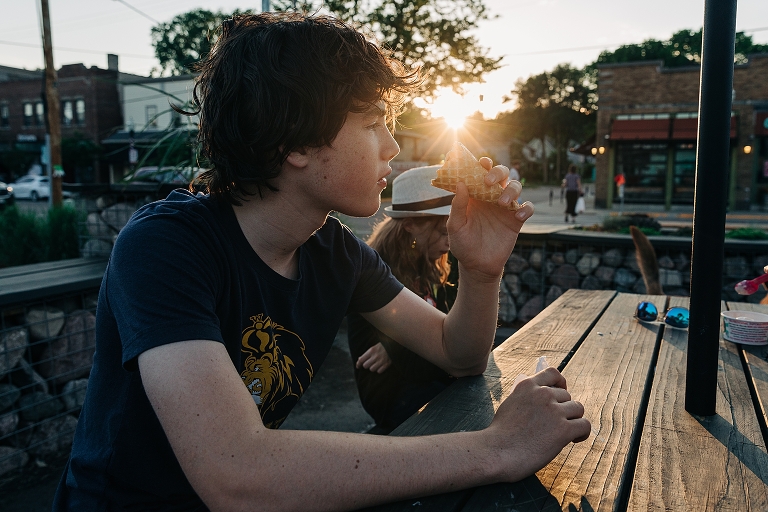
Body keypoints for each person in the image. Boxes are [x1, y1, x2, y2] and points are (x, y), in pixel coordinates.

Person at [54, 13, 590, 511]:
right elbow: (236, 473)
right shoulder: (166, 246)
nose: (392, 146)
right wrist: (495, 448)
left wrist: (480, 270)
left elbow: (459, 355)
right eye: (373, 123)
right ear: (297, 142)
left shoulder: (333, 251)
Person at [348, 166, 456, 434]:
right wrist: (404, 348)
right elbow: (445, 346)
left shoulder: (432, 262)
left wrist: (398, 348)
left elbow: (453, 331)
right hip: (393, 395)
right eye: (443, 232)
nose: (450, 242)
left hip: (426, 382)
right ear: (409, 225)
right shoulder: (378, 273)